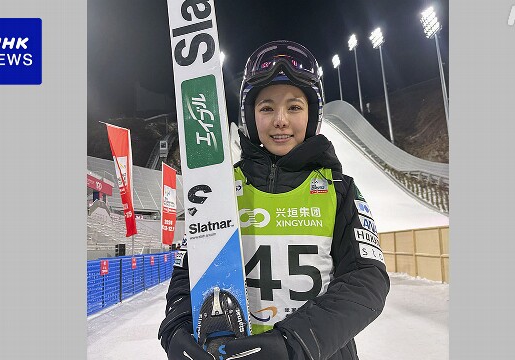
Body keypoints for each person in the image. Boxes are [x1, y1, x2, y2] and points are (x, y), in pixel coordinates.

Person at [158, 40, 390, 360]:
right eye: (267, 107)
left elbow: (368, 281)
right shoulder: (219, 190)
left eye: (294, 107)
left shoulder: (340, 189)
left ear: (311, 114)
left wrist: (294, 342)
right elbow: (187, 275)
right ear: (251, 117)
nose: (280, 119)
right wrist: (177, 326)